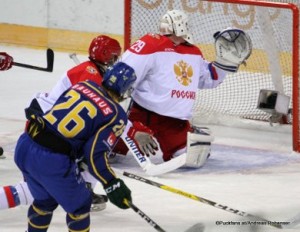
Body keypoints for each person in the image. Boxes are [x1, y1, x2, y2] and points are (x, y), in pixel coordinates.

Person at [0, 35, 157, 211]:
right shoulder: (92, 77)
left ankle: (79, 190)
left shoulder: (93, 73)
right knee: (39, 187)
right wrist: (133, 132)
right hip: (48, 128)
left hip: (44, 126)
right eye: (113, 57)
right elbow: (109, 115)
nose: (115, 61)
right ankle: (83, 191)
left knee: (40, 185)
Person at [113, 9, 252, 168]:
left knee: (190, 160)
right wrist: (131, 127)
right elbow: (120, 77)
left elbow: (209, 79)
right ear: (181, 26)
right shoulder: (151, 44)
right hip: (141, 114)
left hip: (173, 122)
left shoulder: (193, 52)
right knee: (108, 151)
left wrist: (226, 63)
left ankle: (189, 132)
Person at [14, 61, 136, 232]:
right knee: (80, 207)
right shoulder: (117, 114)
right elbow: (94, 154)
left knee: (44, 202)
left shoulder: (83, 85)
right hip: (51, 160)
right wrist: (111, 182)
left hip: (26, 145)